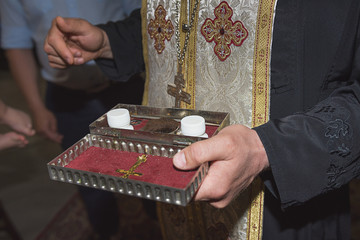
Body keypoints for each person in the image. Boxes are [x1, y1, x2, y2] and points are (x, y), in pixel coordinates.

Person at [43, 0, 360, 239]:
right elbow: (180, 21)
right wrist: (109, 41)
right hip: (176, 197)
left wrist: (269, 149)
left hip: (280, 206)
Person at [0, 1, 145, 239]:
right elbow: (16, 45)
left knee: (150, 169)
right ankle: (106, 232)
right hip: (65, 98)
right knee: (91, 184)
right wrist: (37, 107)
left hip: (126, 85)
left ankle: (156, 223)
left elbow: (143, 18)